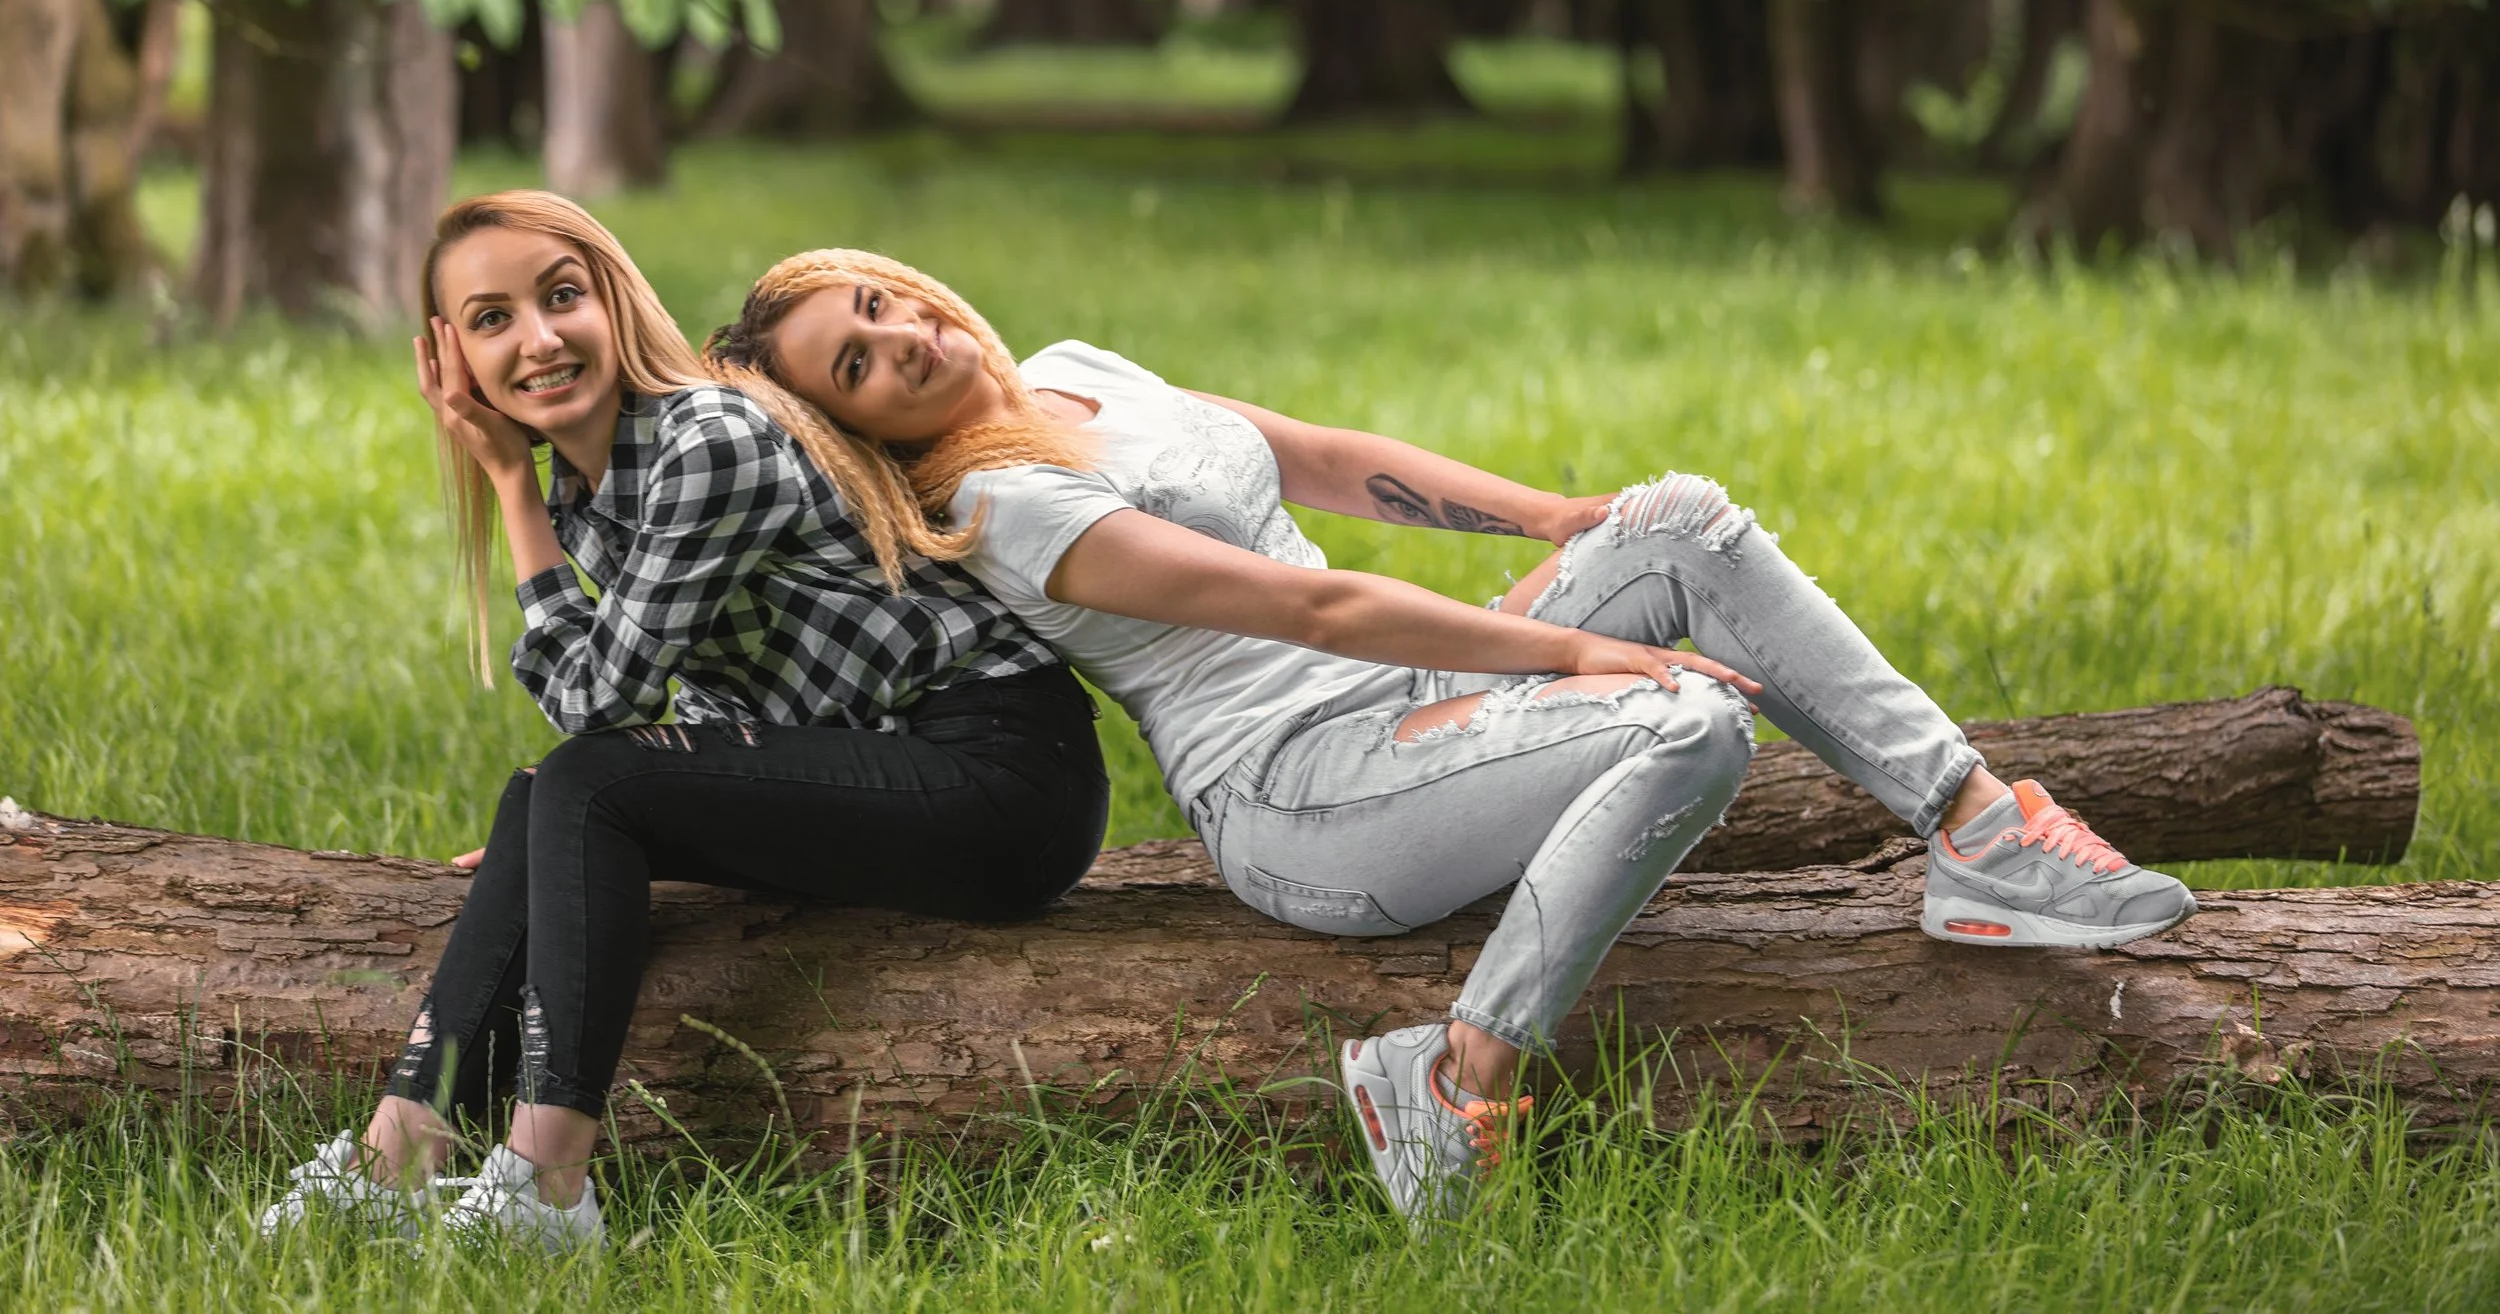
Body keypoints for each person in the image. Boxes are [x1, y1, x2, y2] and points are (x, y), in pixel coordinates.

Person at [701, 247, 2197, 1223]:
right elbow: (1323, 613)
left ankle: (1980, 827)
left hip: (1404, 706)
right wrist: (1577, 649)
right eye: (855, 363)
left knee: (1675, 520)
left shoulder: (1083, 370)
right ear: (860, 435)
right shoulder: (1000, 508)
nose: (901, 337)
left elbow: (1326, 460)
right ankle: (1455, 1077)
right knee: (1678, 723)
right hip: (1301, 794)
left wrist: (1561, 522)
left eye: (879, 303)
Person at [257, 195, 1108, 1253]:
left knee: (581, 777)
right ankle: (396, 1154)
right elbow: (710, 696)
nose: (538, 337)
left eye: (561, 295)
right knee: (548, 797)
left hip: (1001, 777)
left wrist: (508, 491)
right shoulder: (593, 485)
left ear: (613, 299)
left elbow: (600, 704)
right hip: (901, 759)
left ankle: (547, 1183)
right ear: (453, 359)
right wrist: (559, 850)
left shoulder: (708, 438)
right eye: (491, 319)